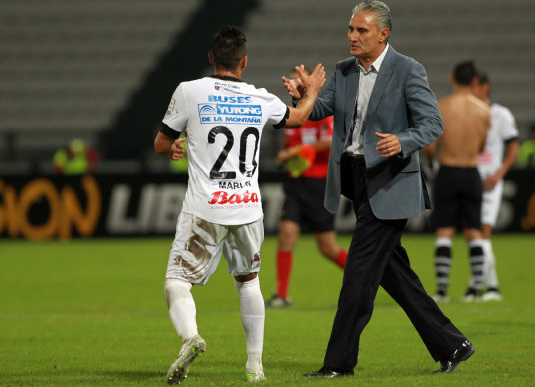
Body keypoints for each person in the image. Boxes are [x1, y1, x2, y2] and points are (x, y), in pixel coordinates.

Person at [283, 0, 475, 377]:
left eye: (361, 30)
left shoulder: (408, 70)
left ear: (383, 34)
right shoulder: (344, 70)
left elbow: (432, 124)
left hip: (391, 184)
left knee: (358, 275)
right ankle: (453, 344)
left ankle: (338, 363)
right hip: (357, 181)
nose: (352, 36)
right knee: (395, 274)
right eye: (351, 29)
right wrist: (303, 95)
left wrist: (402, 141)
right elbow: (321, 108)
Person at [154, 25, 325, 384]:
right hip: (248, 209)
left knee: (176, 282)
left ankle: (191, 337)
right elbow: (298, 117)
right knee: (249, 283)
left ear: (211, 58)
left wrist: (174, 144)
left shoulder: (190, 91)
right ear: (244, 62)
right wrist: (310, 93)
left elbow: (160, 143)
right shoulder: (260, 97)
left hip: (205, 208)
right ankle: (255, 367)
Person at [265, 68, 348, 309]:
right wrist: (285, 154)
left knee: (327, 247)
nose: (294, 84)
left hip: (319, 184)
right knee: (286, 236)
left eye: (299, 80)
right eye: (292, 80)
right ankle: (281, 294)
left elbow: (334, 141)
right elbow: (287, 145)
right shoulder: (290, 114)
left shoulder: (321, 109)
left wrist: (300, 150)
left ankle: (367, 277)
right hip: (295, 182)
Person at [425, 61, 490, 303]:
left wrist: (431, 162)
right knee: (474, 231)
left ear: (453, 78)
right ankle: (474, 288)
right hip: (472, 171)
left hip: (449, 171)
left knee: (444, 231)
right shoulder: (484, 110)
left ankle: (442, 290)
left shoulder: (441, 107)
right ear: (475, 81)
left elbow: (430, 146)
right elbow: (482, 146)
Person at [466, 73, 519, 301]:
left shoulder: (501, 114)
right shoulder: (467, 114)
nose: (471, 91)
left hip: (490, 180)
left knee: (482, 231)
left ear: (485, 87)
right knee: (474, 234)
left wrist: (499, 173)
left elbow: (513, 147)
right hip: (470, 178)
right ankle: (483, 286)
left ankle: (487, 287)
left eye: (475, 87)